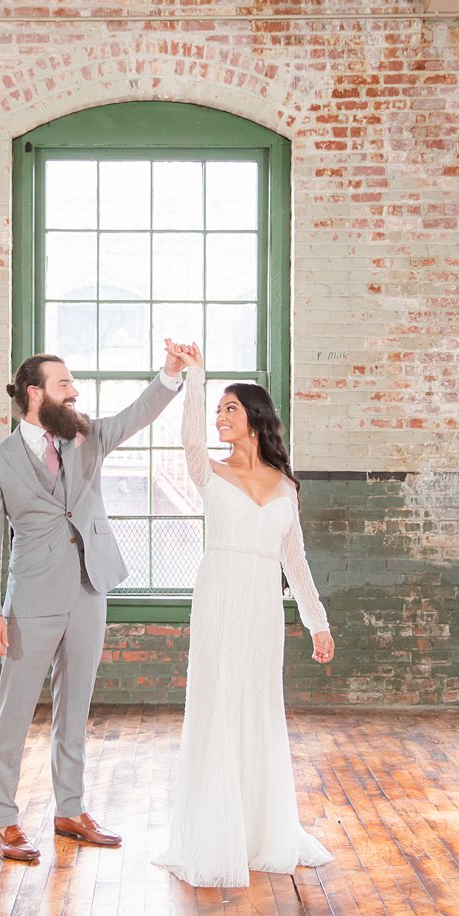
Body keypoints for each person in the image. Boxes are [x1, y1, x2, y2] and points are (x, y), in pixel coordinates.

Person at [0, 347, 184, 862]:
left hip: (90, 592)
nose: (74, 390)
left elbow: (135, 415)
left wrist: (170, 375)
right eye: (64, 383)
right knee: (14, 713)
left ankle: (70, 808)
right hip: (31, 601)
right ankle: (5, 819)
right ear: (35, 393)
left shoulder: (85, 436)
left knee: (76, 710)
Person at [153, 341, 335, 887]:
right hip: (218, 592)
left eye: (230, 408)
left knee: (257, 704)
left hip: (262, 601)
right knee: (217, 699)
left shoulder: (286, 487)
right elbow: (188, 437)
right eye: (218, 409)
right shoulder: (208, 471)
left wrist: (317, 622)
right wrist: (196, 377)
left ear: (255, 417)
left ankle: (260, 829)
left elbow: (296, 564)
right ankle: (214, 832)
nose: (219, 417)